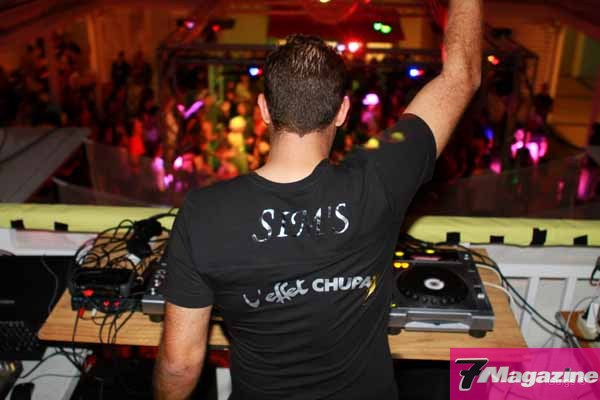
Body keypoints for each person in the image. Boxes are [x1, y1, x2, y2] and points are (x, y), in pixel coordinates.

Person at [154, 0, 481, 398]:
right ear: (342, 111)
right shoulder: (380, 180)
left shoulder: (203, 214)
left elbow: (180, 364)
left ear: (264, 110)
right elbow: (462, 76)